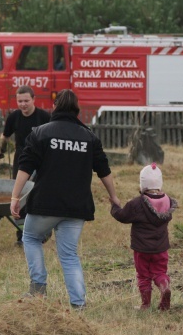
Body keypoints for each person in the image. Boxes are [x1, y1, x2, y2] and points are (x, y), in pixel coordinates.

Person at [9, 89, 120, 309]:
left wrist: (15, 196)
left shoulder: (40, 133)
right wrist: (114, 197)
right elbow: (104, 170)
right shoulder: (89, 136)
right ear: (76, 108)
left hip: (45, 204)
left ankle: (38, 289)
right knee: (69, 255)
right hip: (76, 207)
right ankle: (78, 304)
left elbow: (25, 166)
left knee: (30, 237)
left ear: (56, 107)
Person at [110, 163, 177, 311]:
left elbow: (122, 216)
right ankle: (164, 286)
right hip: (161, 248)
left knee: (143, 275)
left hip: (142, 249)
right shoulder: (167, 202)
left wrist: (115, 207)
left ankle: (145, 304)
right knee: (159, 272)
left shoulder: (137, 204)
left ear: (142, 184)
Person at [0, 85, 51, 245]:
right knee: (19, 195)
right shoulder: (14, 117)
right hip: (21, 159)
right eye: (20, 101)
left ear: (34, 100)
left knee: (39, 195)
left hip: (41, 161)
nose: (23, 104)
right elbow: (5, 136)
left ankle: (43, 231)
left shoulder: (44, 117)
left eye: (26, 100)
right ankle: (22, 235)